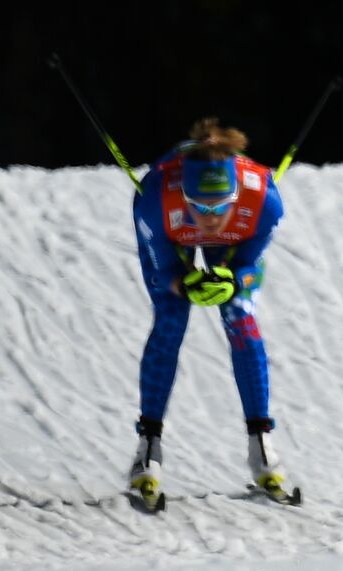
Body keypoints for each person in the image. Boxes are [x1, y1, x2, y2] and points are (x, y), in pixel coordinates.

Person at [128, 118, 293, 507]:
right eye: (200, 206)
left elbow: (250, 263)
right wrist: (183, 283)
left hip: (236, 240)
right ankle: (148, 447)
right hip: (173, 235)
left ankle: (262, 445)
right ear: (184, 196)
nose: (210, 217)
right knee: (171, 318)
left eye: (220, 206)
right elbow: (165, 271)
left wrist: (235, 280)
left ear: (236, 196)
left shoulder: (264, 202)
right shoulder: (155, 199)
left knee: (240, 318)